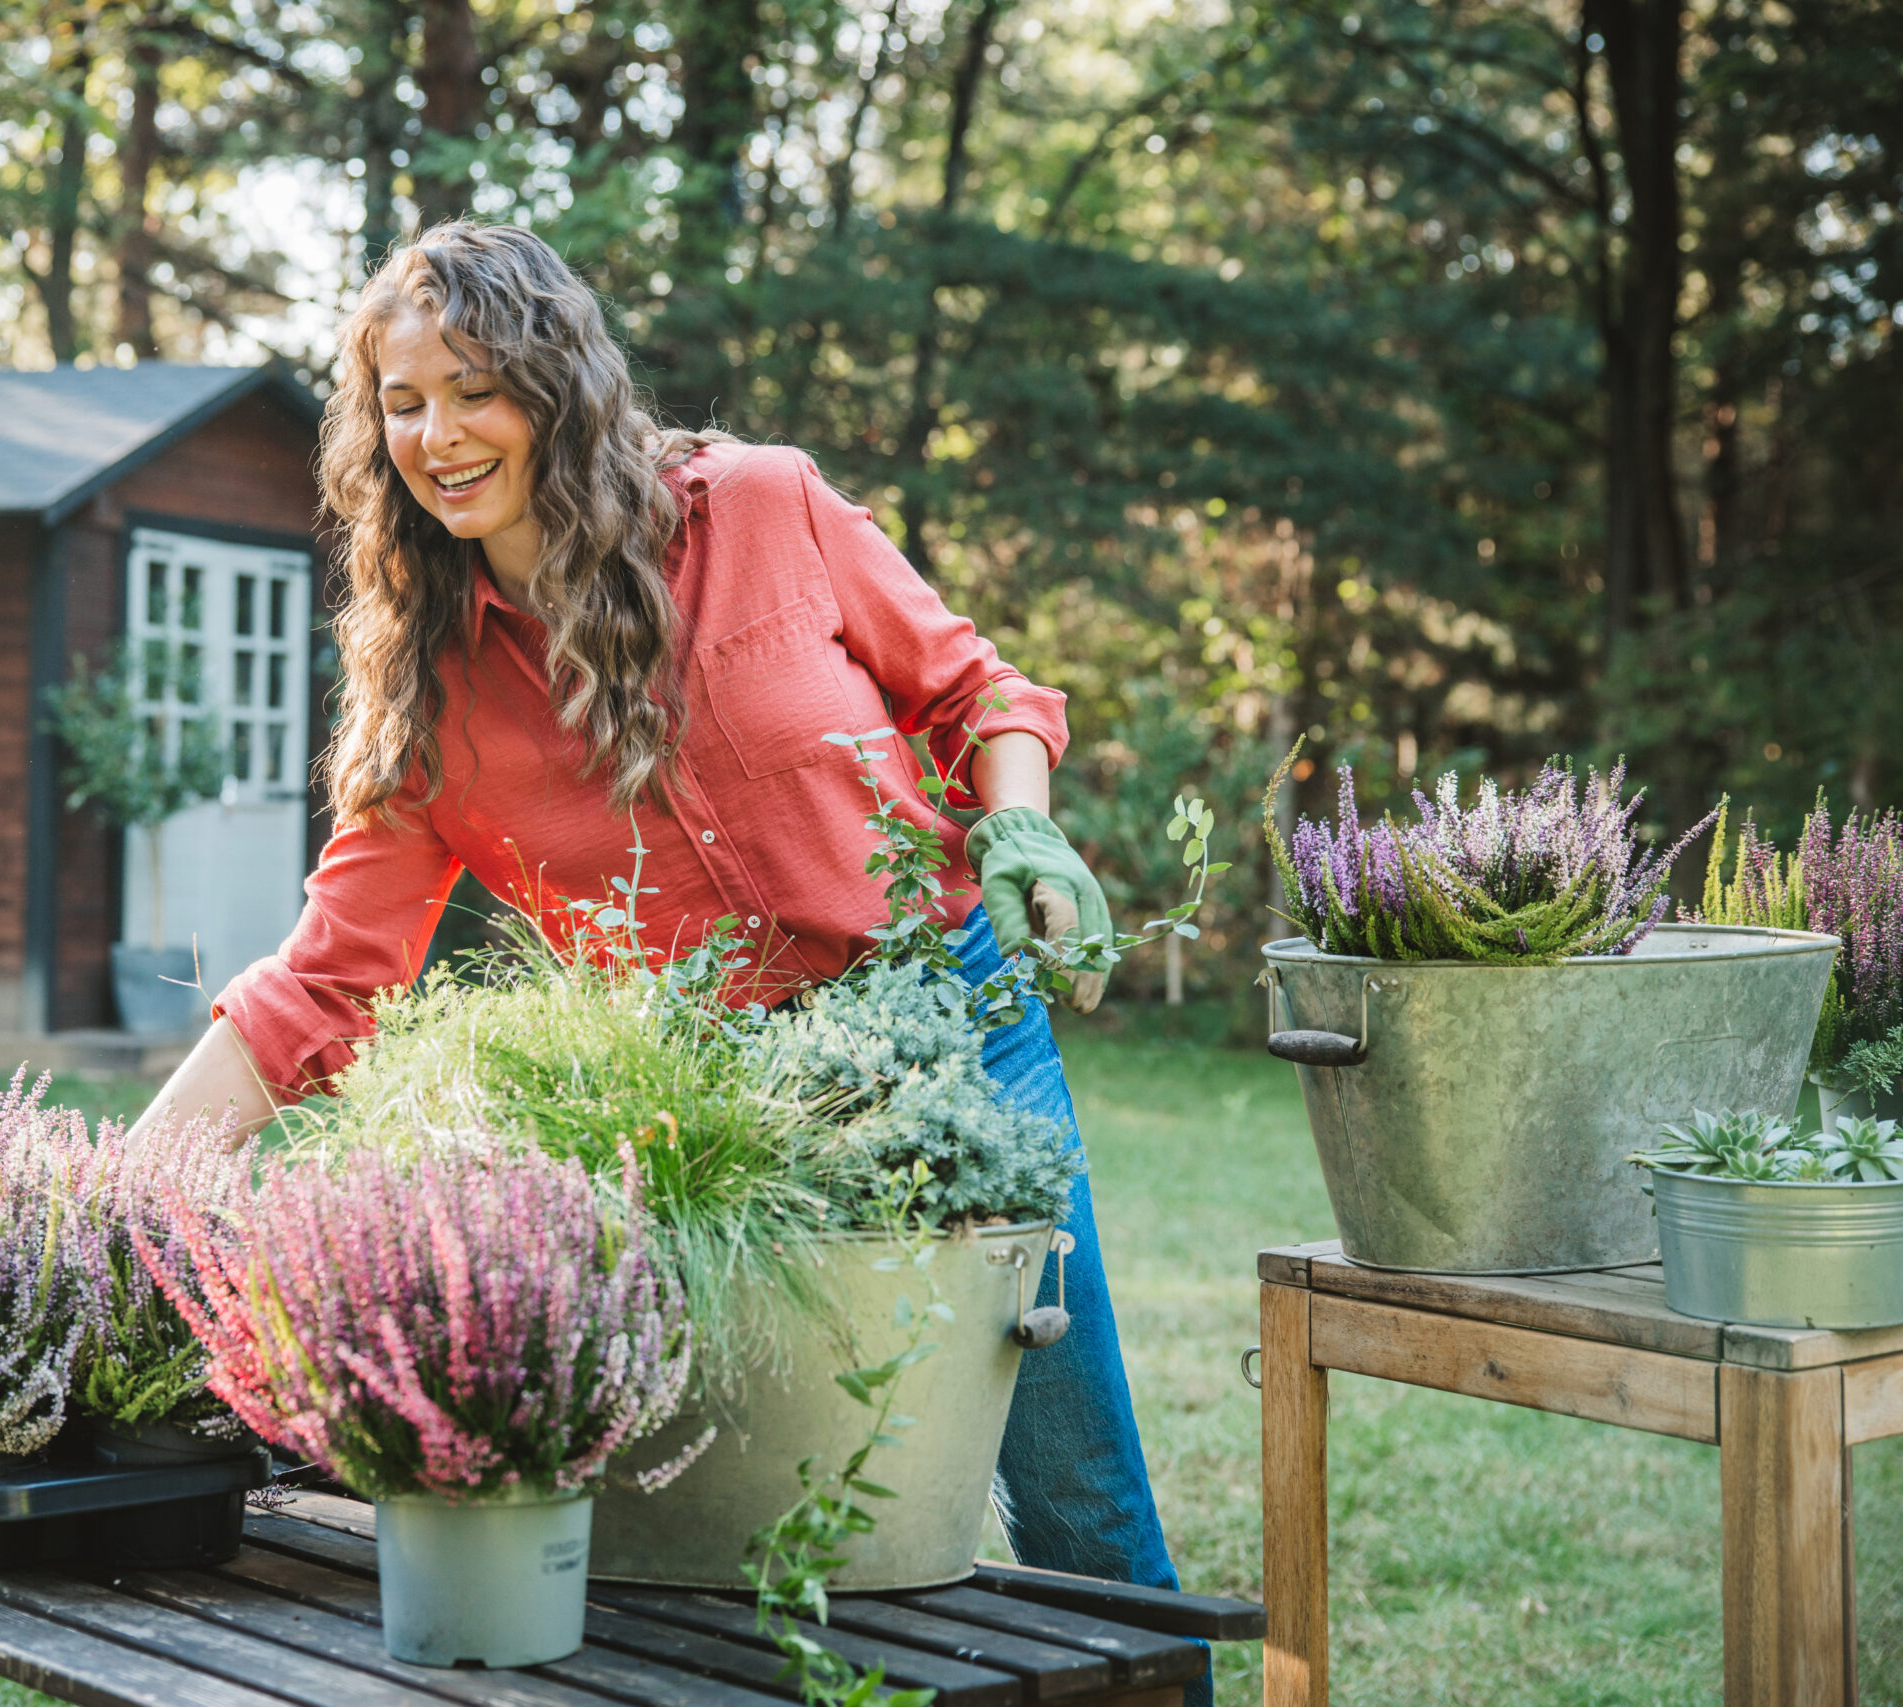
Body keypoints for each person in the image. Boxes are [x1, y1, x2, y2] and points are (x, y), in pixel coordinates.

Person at [132, 221, 1205, 1702]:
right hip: (724, 1114)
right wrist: (120, 1190)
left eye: (474, 390)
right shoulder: (427, 687)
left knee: (1073, 1479)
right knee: (762, 1528)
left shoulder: (764, 506)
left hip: (952, 1025)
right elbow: (327, 978)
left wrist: (1018, 829)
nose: (436, 435)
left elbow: (976, 691)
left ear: (555, 387)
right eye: (401, 399)